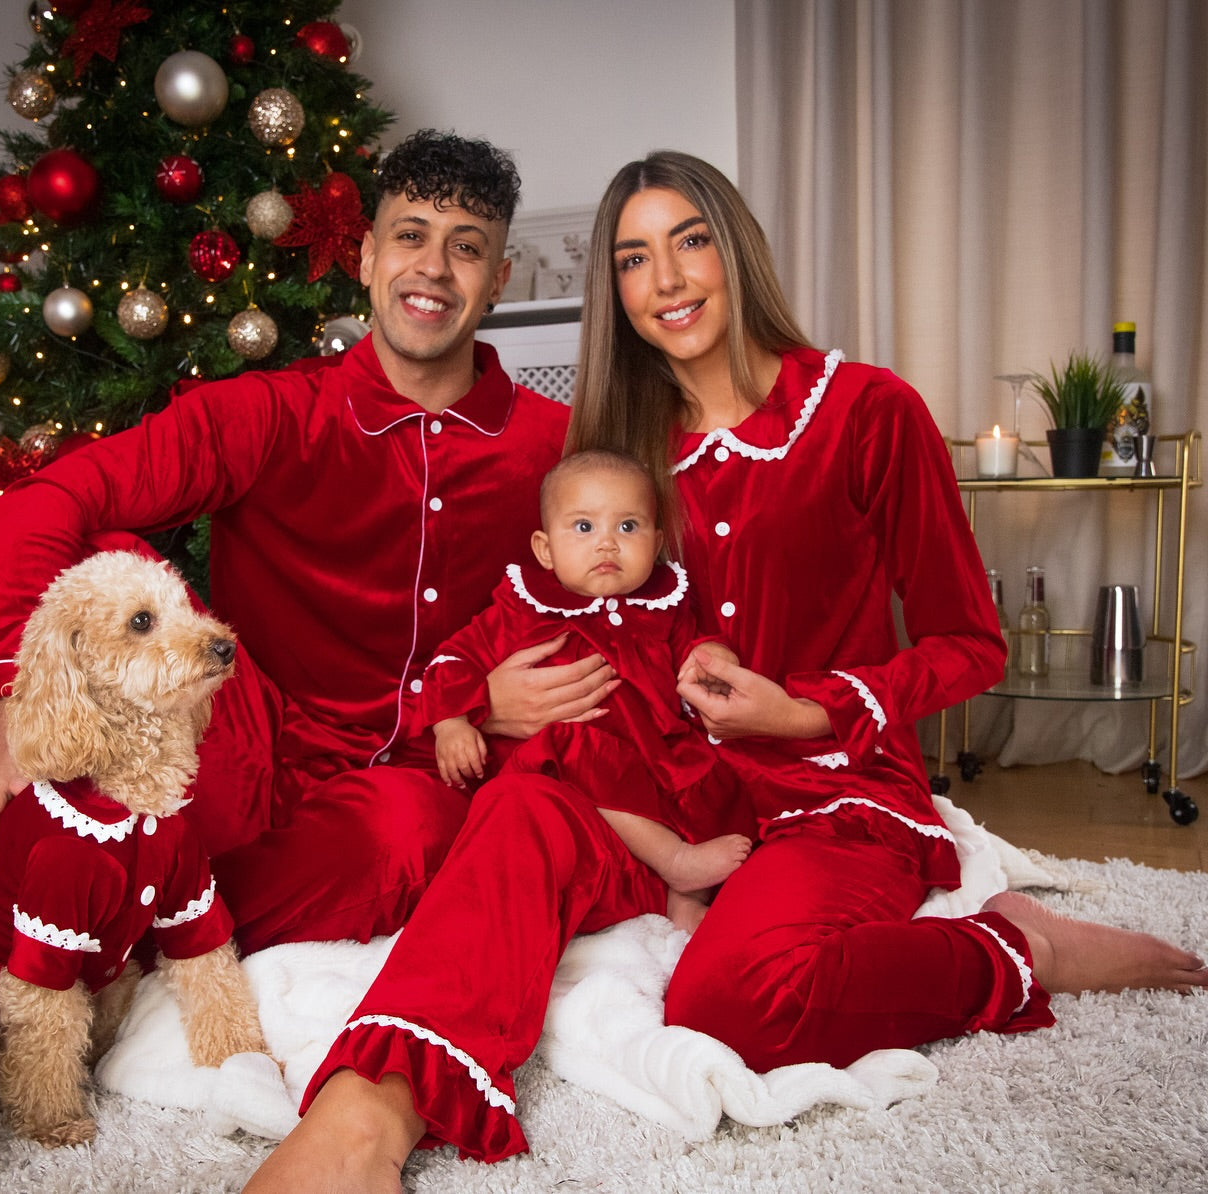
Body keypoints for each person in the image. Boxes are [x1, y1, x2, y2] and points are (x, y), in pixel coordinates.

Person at [243, 151, 1208, 1192]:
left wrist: (808, 709)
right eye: (632, 258)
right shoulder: (620, 458)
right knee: (512, 818)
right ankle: (365, 1117)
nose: (667, 280)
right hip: (660, 802)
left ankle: (1015, 950)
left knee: (731, 1008)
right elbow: (546, 609)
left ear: (736, 248)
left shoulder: (868, 412)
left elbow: (973, 643)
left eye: (690, 241)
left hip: (827, 796)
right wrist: (479, 699)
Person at [0, 129, 618, 950]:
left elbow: (627, 610)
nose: (433, 269)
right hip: (239, 750)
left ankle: (119, 921)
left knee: (411, 831)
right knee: (104, 568)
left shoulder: (559, 451)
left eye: (468, 249)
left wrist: (482, 705)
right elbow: (40, 502)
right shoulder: (272, 412)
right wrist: (6, 717)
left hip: (400, 790)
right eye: (411, 236)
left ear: (498, 282)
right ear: (369, 257)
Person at [416, 448, 752, 931]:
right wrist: (451, 721)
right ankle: (674, 859)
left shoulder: (663, 604)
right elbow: (454, 659)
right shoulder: (524, 608)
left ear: (657, 542)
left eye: (628, 528)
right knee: (571, 747)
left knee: (721, 780)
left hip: (651, 759)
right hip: (566, 770)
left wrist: (715, 657)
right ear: (545, 548)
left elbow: (692, 649)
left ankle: (677, 896)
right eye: (583, 528)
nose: (607, 545)